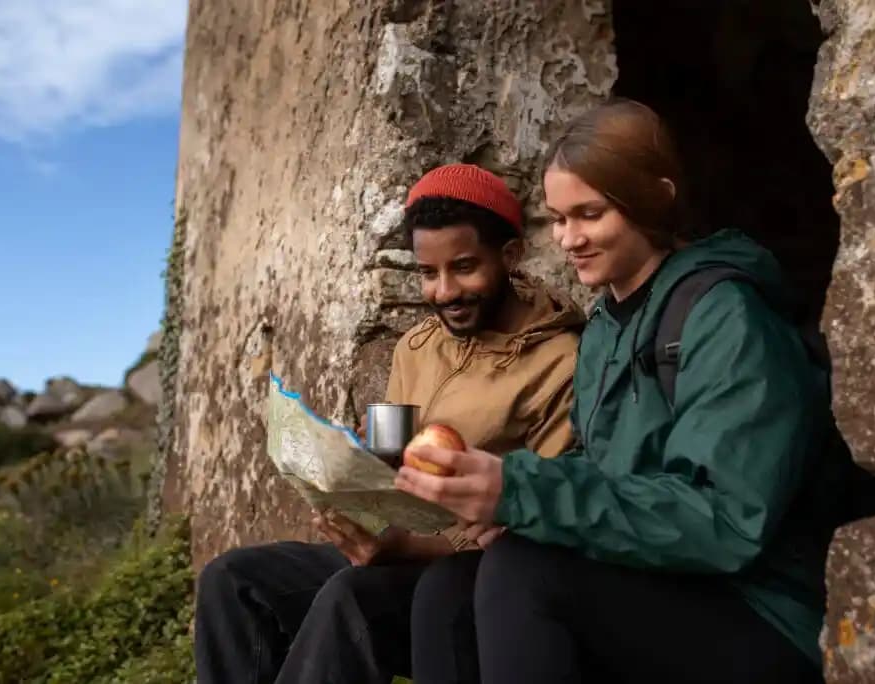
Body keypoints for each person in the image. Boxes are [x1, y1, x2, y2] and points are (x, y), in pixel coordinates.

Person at [397, 99, 868, 683]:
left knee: (527, 573)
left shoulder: (728, 318)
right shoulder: (606, 324)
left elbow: (724, 520)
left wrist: (526, 492)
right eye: (558, 219)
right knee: (448, 589)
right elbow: (608, 471)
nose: (568, 239)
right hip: (663, 581)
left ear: (653, 199)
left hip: (756, 610)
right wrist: (508, 506)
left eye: (589, 215)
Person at [193, 163, 584, 684]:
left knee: (348, 599)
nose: (445, 291)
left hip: (470, 572)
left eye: (464, 267)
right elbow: (387, 452)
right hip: (397, 545)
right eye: (428, 273)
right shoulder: (414, 348)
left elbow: (534, 520)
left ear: (509, 256)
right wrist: (344, 479)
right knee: (233, 580)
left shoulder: (561, 363)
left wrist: (403, 548)